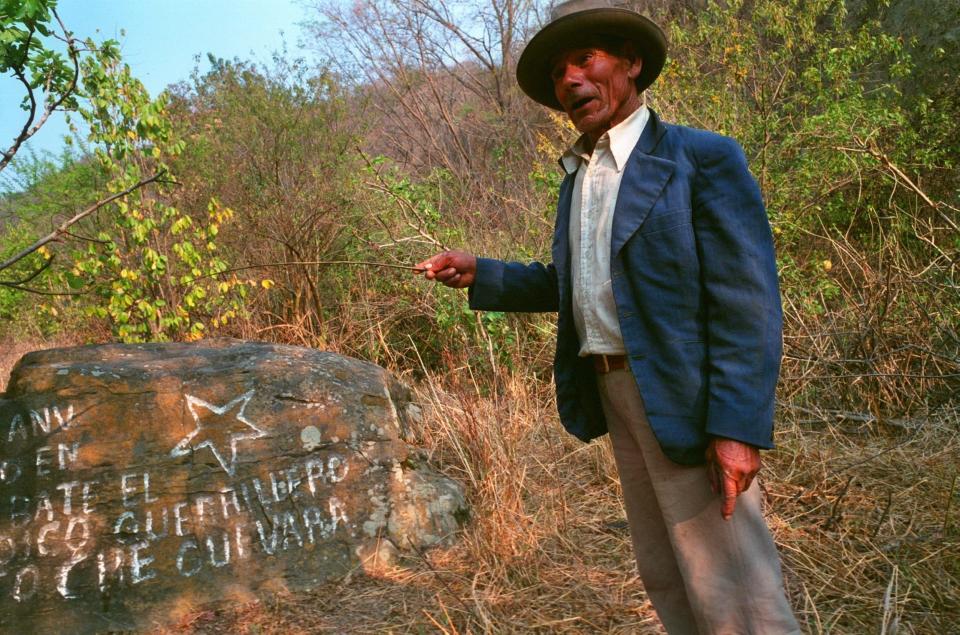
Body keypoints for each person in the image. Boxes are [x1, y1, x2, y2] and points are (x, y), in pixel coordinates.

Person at [416, 1, 800, 632]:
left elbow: (747, 301)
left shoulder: (700, 159)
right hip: (616, 390)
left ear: (631, 62)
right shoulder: (581, 177)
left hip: (686, 397)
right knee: (669, 576)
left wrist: (736, 427)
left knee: (735, 591)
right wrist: (482, 271)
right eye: (559, 71)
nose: (571, 80)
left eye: (586, 59)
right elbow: (576, 284)